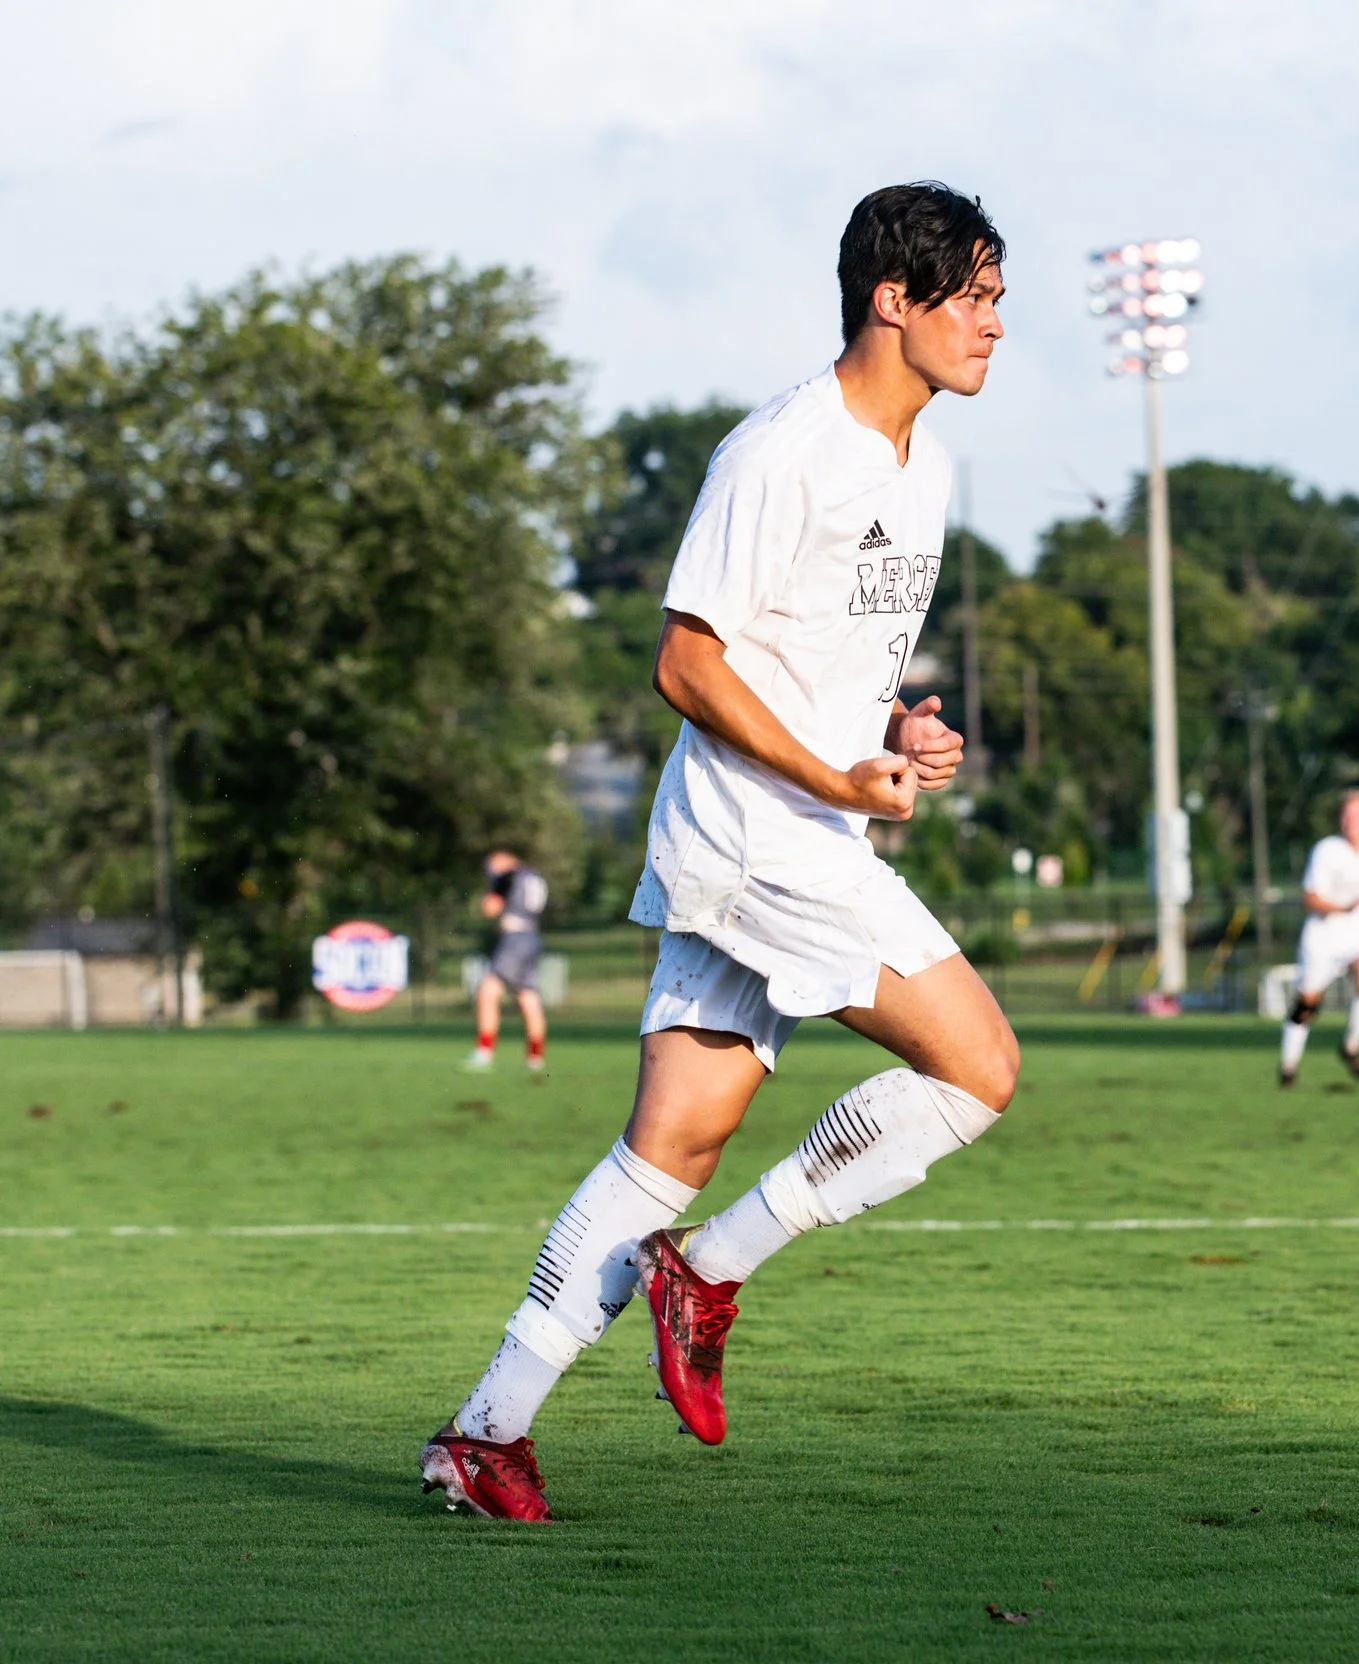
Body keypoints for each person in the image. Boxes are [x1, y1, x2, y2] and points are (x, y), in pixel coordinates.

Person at [421, 182, 1018, 1521]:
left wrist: (900, 731)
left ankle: (484, 1433)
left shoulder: (922, 461)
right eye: (972, 297)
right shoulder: (782, 451)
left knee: (667, 1146)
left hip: (780, 828)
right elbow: (686, 662)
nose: (993, 325)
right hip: (762, 838)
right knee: (977, 1065)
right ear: (893, 300)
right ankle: (713, 1268)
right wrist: (833, 779)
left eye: (993, 299)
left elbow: (818, 667)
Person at [1279, 788, 1359, 1087]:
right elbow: (1311, 898)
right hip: (1325, 934)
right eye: (1345, 814)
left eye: (1356, 814)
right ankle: (1289, 1065)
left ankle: (1351, 1047)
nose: (1350, 820)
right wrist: (1340, 907)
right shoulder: (1326, 851)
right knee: (1308, 1002)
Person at [468, 850, 550, 1072]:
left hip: (514, 939)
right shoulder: (533, 875)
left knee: (487, 991)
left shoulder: (508, 876)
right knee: (527, 996)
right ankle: (535, 1057)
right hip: (532, 936)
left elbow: (489, 908)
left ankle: (484, 1052)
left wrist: (491, 884)